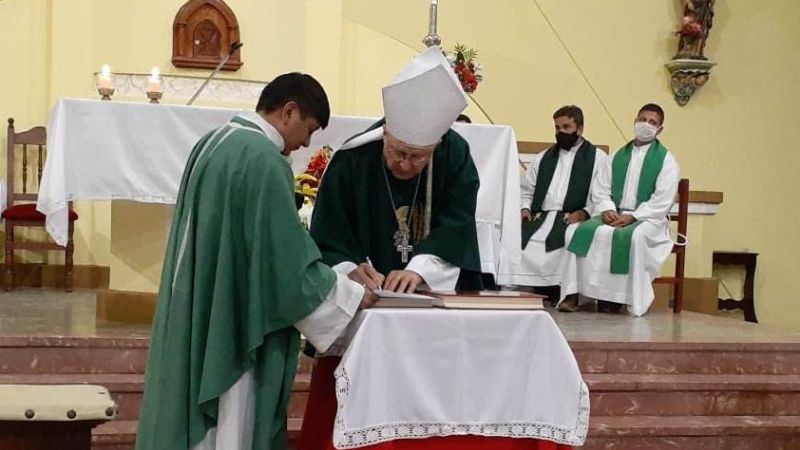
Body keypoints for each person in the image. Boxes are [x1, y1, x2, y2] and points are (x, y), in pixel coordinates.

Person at [135, 73, 377, 450]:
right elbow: (287, 268)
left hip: (204, 302)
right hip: (235, 321)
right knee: (233, 422)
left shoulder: (212, 141)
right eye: (309, 130)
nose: (305, 143)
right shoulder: (263, 159)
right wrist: (350, 294)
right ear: (289, 111)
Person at [298, 46, 483, 450]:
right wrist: (349, 268)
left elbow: (459, 223)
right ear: (386, 135)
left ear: (435, 147)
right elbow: (329, 233)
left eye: (418, 158)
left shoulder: (455, 156)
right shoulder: (353, 158)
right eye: (399, 152)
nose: (405, 165)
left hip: (428, 293)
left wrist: (419, 269)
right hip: (366, 297)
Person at [561, 103, 680, 316]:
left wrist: (633, 216)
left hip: (647, 218)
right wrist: (607, 209)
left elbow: (662, 200)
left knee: (634, 238)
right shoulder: (617, 156)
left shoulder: (666, 161)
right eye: (642, 119)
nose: (646, 124)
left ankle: (619, 299)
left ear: (660, 129)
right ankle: (575, 294)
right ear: (635, 121)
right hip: (614, 213)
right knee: (575, 231)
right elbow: (601, 188)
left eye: (652, 122)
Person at [505, 105, 607, 311]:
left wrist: (585, 212)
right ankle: (520, 292)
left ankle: (567, 293)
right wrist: (524, 208)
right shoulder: (544, 157)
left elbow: (602, 194)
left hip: (573, 215)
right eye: (557, 128)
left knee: (572, 236)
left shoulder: (598, 158)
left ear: (580, 129)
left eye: (566, 127)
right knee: (513, 233)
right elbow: (527, 189)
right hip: (540, 215)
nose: (560, 132)